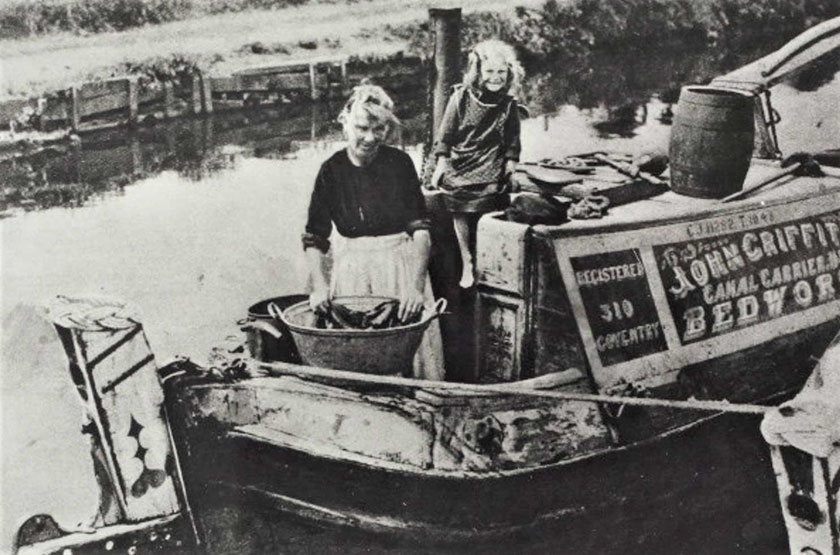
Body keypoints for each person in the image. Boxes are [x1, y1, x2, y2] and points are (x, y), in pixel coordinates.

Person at [302, 83, 445, 381]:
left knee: (409, 355)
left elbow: (420, 231)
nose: (370, 138)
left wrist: (415, 288)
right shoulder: (331, 170)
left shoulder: (400, 163)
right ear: (345, 122)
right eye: (362, 128)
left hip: (399, 266)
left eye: (379, 129)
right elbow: (315, 236)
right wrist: (318, 285)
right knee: (355, 355)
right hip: (352, 269)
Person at [429, 40, 525, 288]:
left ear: (509, 73)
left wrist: (511, 162)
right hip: (462, 160)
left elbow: (513, 137)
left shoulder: (508, 104)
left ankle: (488, 258)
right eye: (490, 72)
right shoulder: (461, 97)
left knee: (492, 200)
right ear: (479, 72)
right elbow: (445, 135)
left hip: (491, 158)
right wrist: (441, 164)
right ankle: (467, 259)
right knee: (458, 205)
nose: (495, 78)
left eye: (501, 72)